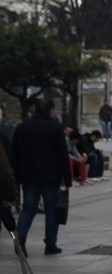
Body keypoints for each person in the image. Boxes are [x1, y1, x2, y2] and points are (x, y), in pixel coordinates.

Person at [12, 100, 71, 254]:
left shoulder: (23, 127)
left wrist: (17, 175)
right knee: (51, 210)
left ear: (35, 110)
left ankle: (20, 237)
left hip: (29, 176)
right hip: (51, 176)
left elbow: (15, 153)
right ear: (50, 110)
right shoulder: (55, 128)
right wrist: (67, 177)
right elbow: (62, 154)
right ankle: (50, 244)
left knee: (28, 208)